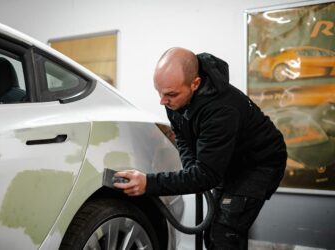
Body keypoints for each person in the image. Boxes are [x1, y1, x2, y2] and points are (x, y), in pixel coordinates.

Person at [113, 47, 287, 249]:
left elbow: (206, 176)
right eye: (158, 92)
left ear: (195, 84)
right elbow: (182, 137)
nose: (162, 101)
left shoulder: (222, 111)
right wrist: (190, 169)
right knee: (212, 231)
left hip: (258, 165)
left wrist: (148, 183)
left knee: (224, 234)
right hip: (228, 161)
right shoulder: (173, 99)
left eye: (170, 94)